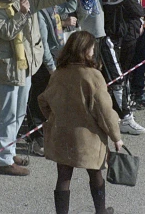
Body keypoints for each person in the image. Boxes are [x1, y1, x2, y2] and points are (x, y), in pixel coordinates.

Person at [0, 0, 87, 176]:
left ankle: (10, 150)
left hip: (26, 64)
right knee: (8, 113)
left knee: (20, 111)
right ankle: (4, 161)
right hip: (8, 67)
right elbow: (5, 31)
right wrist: (22, 13)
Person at [37, 31, 123, 214]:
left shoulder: (59, 73)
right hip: (88, 136)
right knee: (95, 173)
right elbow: (105, 111)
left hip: (62, 133)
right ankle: (100, 211)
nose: (93, 51)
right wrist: (116, 136)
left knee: (63, 177)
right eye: (91, 48)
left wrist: (54, 117)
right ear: (85, 50)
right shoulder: (93, 76)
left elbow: (43, 100)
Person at [27, 0, 77, 156]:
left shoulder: (53, 4)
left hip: (55, 56)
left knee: (52, 101)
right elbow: (43, 42)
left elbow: (71, 7)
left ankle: (48, 137)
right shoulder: (40, 9)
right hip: (43, 62)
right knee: (40, 102)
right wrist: (51, 67)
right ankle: (36, 139)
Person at [100, 0, 145, 135]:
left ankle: (119, 115)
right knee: (117, 79)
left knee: (118, 79)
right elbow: (134, 8)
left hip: (117, 38)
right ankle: (125, 118)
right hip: (105, 40)